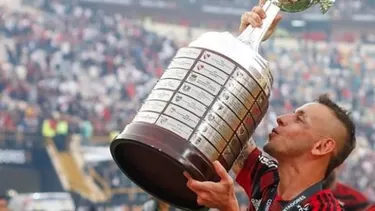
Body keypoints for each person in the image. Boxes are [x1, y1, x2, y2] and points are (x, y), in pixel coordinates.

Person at [184, 3, 356, 210]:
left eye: (299, 119)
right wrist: (247, 43)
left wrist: (229, 208)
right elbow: (227, 131)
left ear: (321, 146)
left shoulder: (326, 209)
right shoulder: (270, 180)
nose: (282, 117)